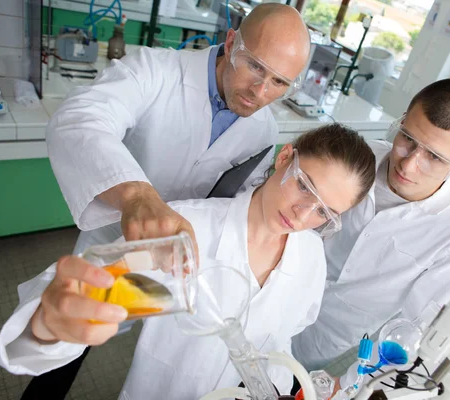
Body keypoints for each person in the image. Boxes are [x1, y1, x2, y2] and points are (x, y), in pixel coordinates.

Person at [31, 5, 311, 398]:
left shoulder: (264, 130)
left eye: (280, 82)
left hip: (178, 258)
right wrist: (135, 195)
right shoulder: (155, 69)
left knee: (161, 352)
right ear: (231, 43)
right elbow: (80, 117)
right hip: (116, 242)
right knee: (72, 336)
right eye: (255, 67)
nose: (260, 92)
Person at [0, 125, 377, 399]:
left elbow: (281, 341)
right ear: (284, 157)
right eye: (304, 186)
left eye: (324, 212)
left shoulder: (310, 258)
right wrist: (48, 324)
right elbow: (93, 296)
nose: (302, 213)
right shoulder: (185, 230)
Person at [291, 79, 450, 382]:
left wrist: (351, 384)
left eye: (435, 157)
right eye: (407, 138)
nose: (409, 164)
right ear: (402, 120)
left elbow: (416, 326)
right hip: (280, 287)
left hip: (331, 332)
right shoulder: (362, 158)